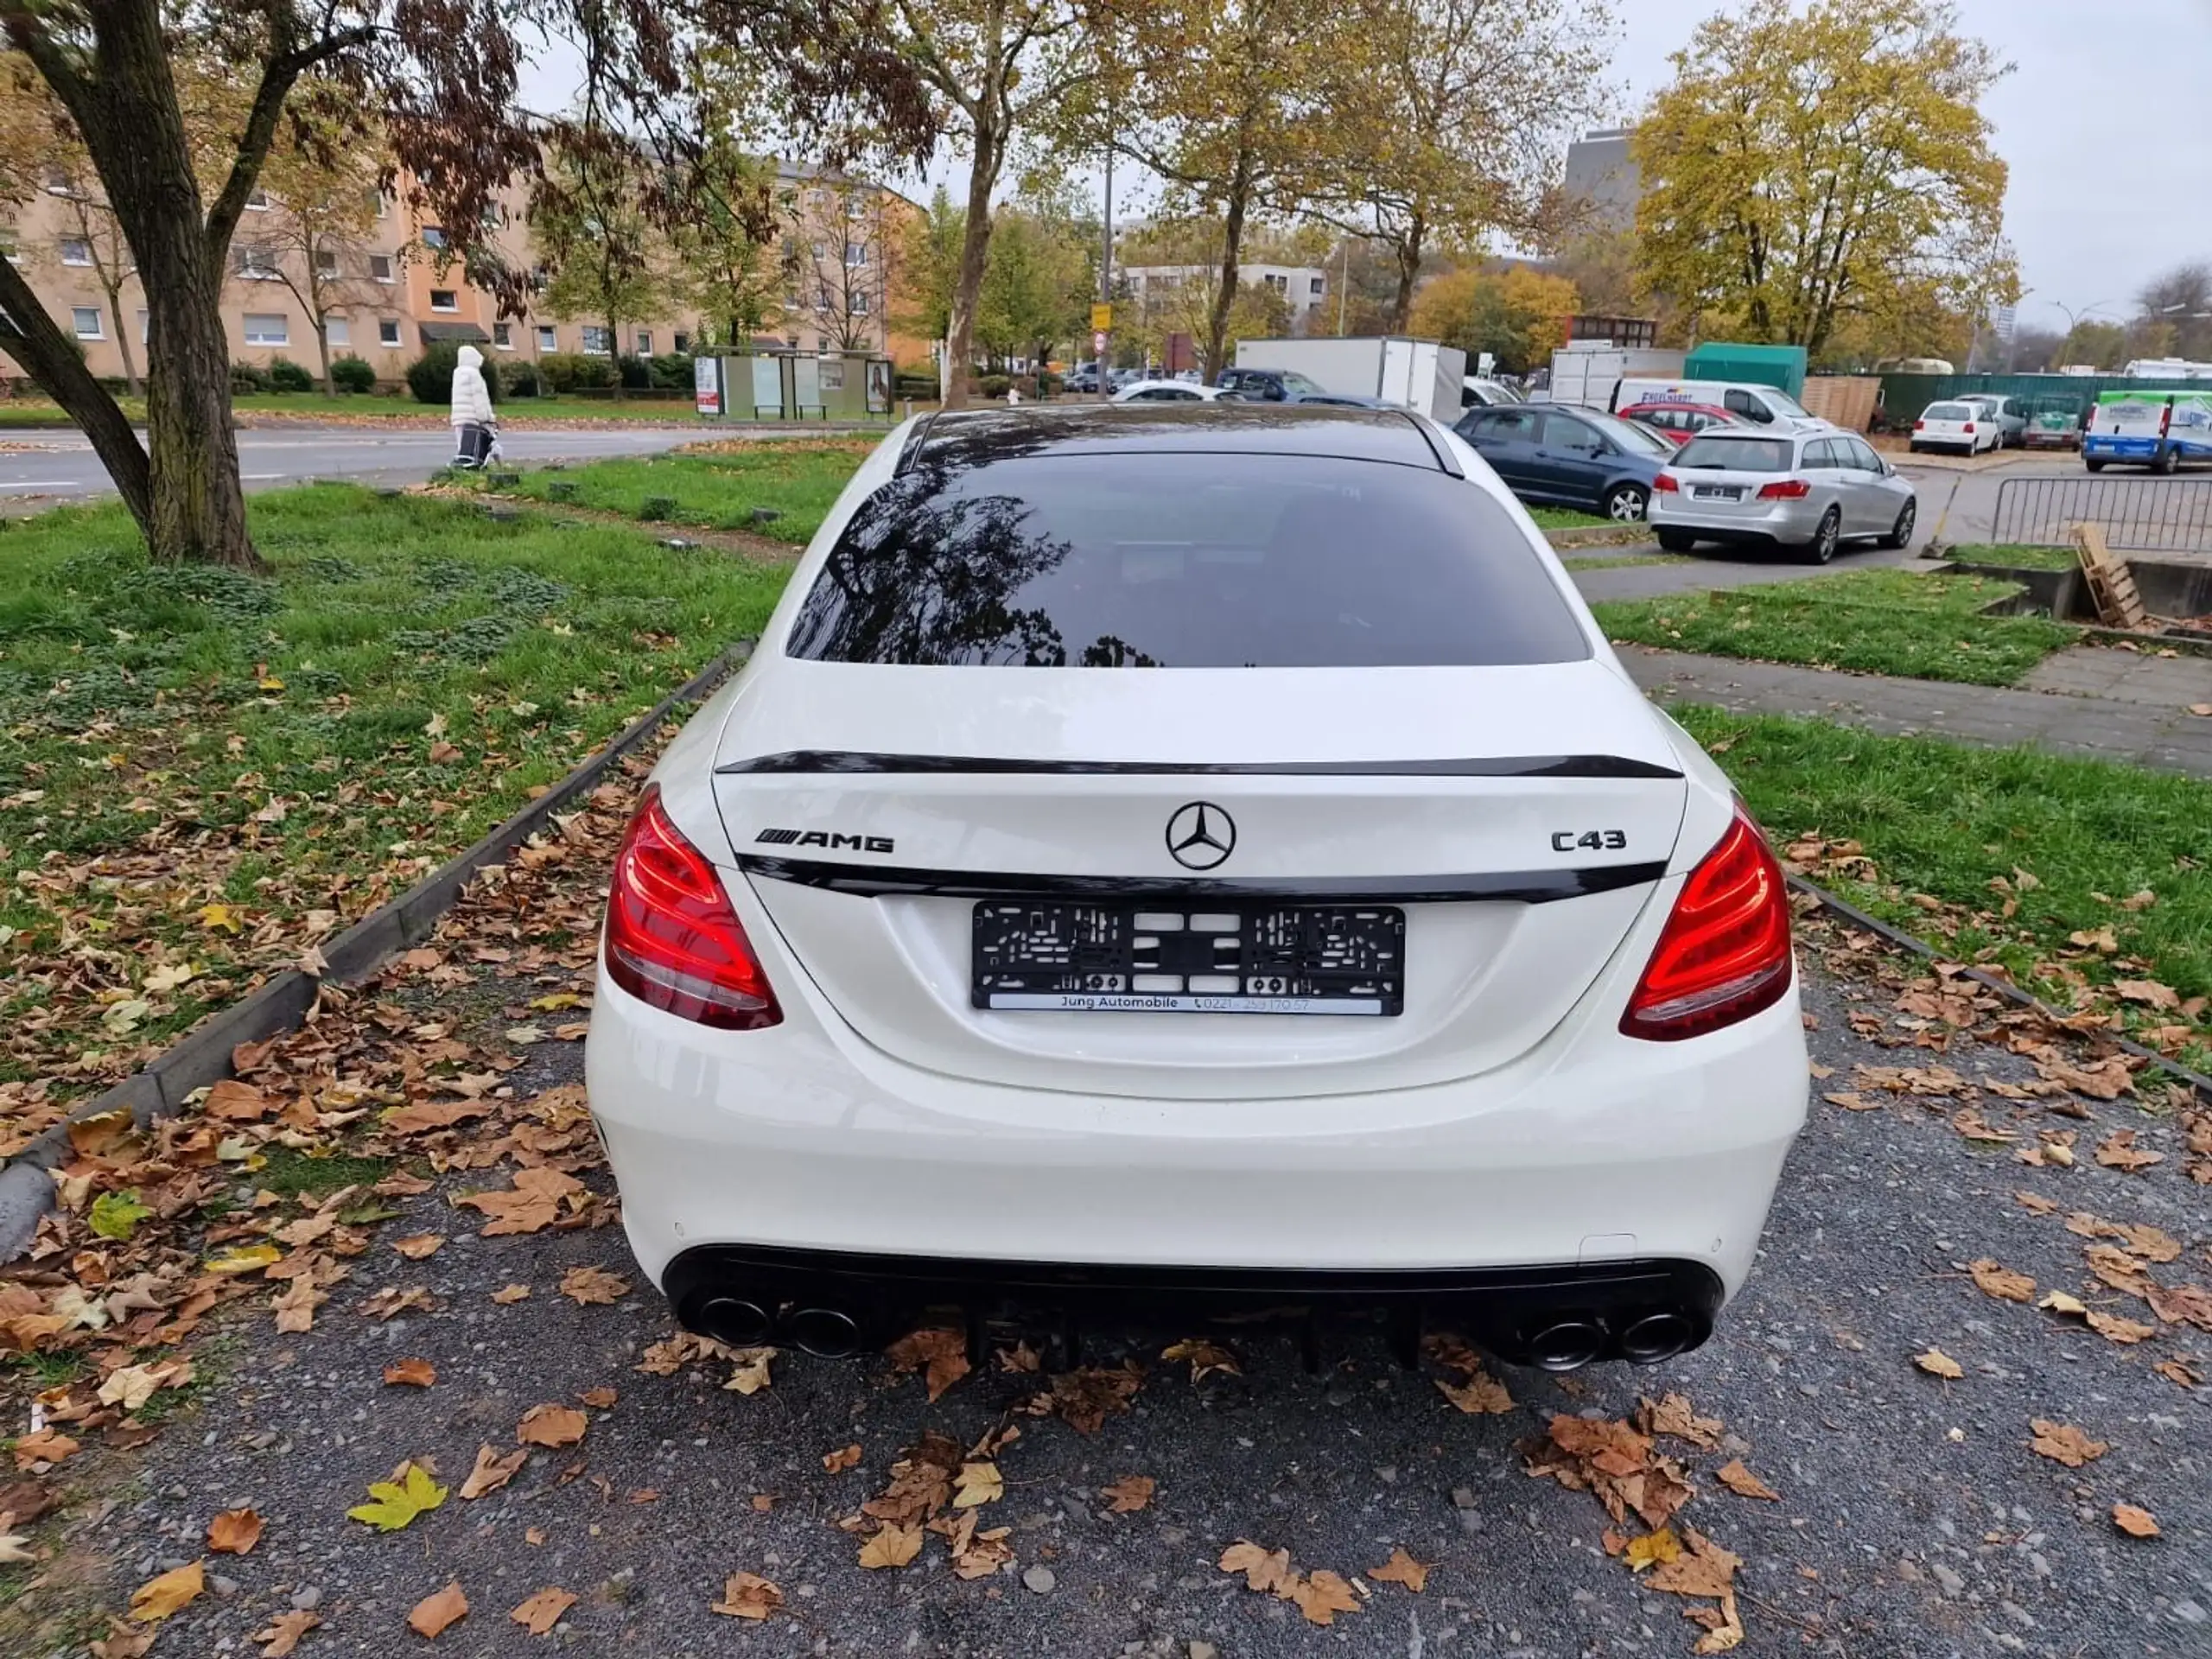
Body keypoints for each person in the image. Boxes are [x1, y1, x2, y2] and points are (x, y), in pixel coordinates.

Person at [449, 344, 495, 467]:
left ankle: (462, 465)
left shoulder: (457, 373)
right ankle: (478, 464)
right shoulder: (474, 374)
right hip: (472, 415)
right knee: (476, 442)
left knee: (463, 445)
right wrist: (486, 417)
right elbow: (479, 397)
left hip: (458, 416)